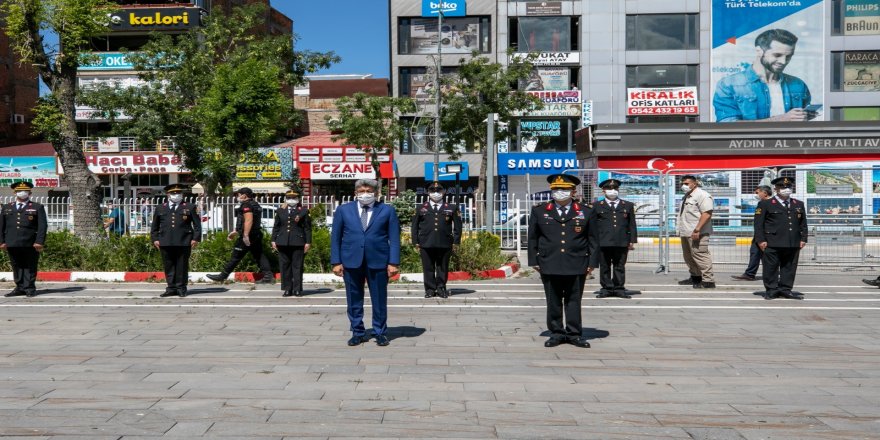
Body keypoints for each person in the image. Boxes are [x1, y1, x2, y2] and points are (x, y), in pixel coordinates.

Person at [527, 174, 596, 349]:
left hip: (577, 262)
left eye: (564, 190)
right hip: (549, 262)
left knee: (574, 300)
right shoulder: (540, 210)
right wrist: (533, 260)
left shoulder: (586, 211)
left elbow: (593, 239)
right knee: (553, 300)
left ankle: (574, 334)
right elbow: (533, 238)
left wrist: (592, 263)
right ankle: (556, 333)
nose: (560, 192)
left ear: (573, 191)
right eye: (556, 189)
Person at [330, 179, 400, 347]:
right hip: (351, 261)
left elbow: (395, 239)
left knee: (379, 299)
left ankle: (380, 332)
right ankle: (357, 332)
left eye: (368, 191)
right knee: (353, 299)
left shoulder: (387, 210)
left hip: (378, 261)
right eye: (361, 191)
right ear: (355, 193)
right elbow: (336, 238)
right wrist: (336, 261)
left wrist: (393, 262)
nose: (365, 194)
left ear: (376, 193)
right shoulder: (343, 210)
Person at [713, 28, 814, 122]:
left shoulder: (798, 84)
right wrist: (780, 119)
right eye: (777, 55)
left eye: (788, 56)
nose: (783, 61)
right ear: (759, 51)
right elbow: (727, 125)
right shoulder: (728, 84)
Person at [206, 187, 274, 284]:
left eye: (238, 194)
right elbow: (250, 221)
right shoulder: (255, 204)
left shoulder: (246, 205)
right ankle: (268, 276)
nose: (237, 196)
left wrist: (245, 235)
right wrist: (236, 231)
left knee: (236, 256)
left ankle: (222, 276)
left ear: (244, 195)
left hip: (248, 236)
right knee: (259, 255)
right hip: (256, 234)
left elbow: (248, 220)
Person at [754, 177, 808, 300]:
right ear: (776, 189)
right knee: (770, 267)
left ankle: (786, 289)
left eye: (789, 187)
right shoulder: (766, 204)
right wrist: (761, 240)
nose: (786, 189)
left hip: (792, 241)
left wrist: (803, 238)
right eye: (783, 187)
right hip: (772, 241)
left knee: (789, 267)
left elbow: (803, 223)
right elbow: (758, 224)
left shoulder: (798, 204)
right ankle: (771, 289)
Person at [411, 181, 462, 299]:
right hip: (426, 243)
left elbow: (458, 226)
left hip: (445, 243)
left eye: (438, 190)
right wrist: (415, 241)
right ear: (428, 192)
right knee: (428, 267)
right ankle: (429, 289)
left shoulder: (451, 207)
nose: (436, 193)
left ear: (443, 191)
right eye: (432, 191)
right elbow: (414, 226)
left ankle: (441, 288)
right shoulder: (420, 208)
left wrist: (456, 241)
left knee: (442, 267)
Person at [151, 184, 201, 298]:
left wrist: (195, 238)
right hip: (165, 241)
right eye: (173, 193)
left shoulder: (190, 207)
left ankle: (181, 288)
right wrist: (155, 239)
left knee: (182, 265)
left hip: (184, 241)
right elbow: (155, 226)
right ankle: (171, 288)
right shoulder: (160, 208)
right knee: (168, 265)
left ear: (182, 194)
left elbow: (197, 225)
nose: (176, 195)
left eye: (178, 193)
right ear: (168, 194)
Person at [591, 179, 638, 299]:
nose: (612, 191)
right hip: (603, 241)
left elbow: (631, 224)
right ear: (603, 191)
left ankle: (618, 288)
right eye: (609, 189)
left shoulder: (627, 205)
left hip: (621, 241)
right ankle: (606, 288)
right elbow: (593, 225)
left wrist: (632, 240)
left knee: (619, 265)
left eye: (615, 189)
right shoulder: (596, 206)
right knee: (605, 266)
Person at [0, 181, 47, 298]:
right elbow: (1, 226)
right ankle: (19, 287)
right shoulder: (6, 207)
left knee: (30, 264)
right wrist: (1, 241)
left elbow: (42, 226)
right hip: (12, 242)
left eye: (25, 191)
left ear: (30, 193)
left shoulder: (37, 207)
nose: (22, 193)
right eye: (20, 191)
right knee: (16, 265)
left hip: (30, 242)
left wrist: (39, 241)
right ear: (14, 193)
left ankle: (29, 288)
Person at [677, 175, 716, 288]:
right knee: (688, 256)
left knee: (700, 255)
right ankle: (696, 277)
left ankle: (708, 281)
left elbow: (707, 213)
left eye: (686, 183)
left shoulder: (702, 195)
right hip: (686, 231)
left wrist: (697, 229)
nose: (683, 186)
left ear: (695, 183)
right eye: (682, 183)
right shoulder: (687, 195)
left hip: (697, 232)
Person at [271, 189, 312, 297]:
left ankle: (297, 289)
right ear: (286, 199)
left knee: (297, 266)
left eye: (294, 198)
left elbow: (307, 228)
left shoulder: (303, 211)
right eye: (289, 198)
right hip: (282, 241)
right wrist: (273, 240)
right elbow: (276, 226)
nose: (291, 200)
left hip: (298, 241)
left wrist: (308, 242)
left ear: (298, 199)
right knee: (284, 266)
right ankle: (287, 288)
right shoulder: (280, 211)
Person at [732, 185, 773, 281]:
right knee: (755, 253)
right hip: (760, 234)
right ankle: (750, 274)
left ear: (765, 193)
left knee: (767, 255)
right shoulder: (763, 202)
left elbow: (760, 222)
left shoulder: (767, 203)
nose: (756, 194)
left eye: (757, 192)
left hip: (765, 235)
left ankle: (772, 273)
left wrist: (761, 237)